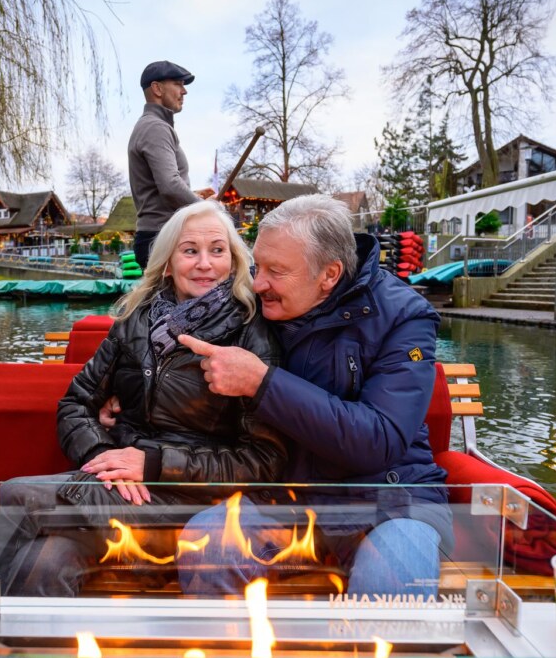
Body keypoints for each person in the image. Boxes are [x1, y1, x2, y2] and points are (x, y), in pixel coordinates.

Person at [0, 200, 286, 595]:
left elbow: (264, 460)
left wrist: (154, 463)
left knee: (14, 496)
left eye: (217, 250)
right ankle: (21, 655)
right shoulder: (137, 321)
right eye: (190, 251)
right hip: (125, 493)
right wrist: (103, 459)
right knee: (44, 562)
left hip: (197, 503)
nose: (205, 263)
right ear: (168, 263)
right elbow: (76, 403)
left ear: (234, 259)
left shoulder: (250, 333)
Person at [170, 194, 451, 597]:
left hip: (390, 501)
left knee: (396, 574)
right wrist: (121, 397)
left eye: (276, 271)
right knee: (207, 542)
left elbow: (380, 439)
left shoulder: (405, 316)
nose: (258, 282)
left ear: (329, 274)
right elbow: (166, 339)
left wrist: (261, 383)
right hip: (282, 498)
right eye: (257, 266)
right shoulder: (252, 304)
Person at [128, 60, 208, 270]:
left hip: (160, 236)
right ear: (157, 88)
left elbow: (162, 185)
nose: (184, 91)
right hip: (161, 237)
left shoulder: (153, 126)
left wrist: (197, 196)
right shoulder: (155, 127)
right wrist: (208, 209)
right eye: (178, 84)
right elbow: (170, 186)